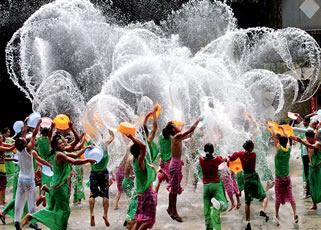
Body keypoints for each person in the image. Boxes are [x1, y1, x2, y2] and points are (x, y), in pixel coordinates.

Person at [21, 134, 96, 230]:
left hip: (57, 185)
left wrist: (85, 148)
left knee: (54, 208)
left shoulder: (61, 152)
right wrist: (89, 160)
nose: (63, 145)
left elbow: (76, 155)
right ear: (55, 146)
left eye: (62, 143)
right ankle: (34, 217)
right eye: (60, 144)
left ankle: (35, 216)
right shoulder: (59, 154)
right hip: (59, 187)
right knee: (65, 211)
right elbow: (74, 161)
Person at [14, 118, 53, 230]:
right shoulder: (28, 149)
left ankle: (17, 221)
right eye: (25, 140)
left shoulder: (18, 149)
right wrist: (38, 124)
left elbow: (22, 135)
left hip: (21, 178)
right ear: (24, 143)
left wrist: (26, 124)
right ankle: (33, 222)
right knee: (31, 201)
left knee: (19, 199)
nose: (26, 139)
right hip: (29, 180)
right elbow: (34, 135)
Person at [166, 117, 203, 222]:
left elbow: (190, 134)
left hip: (175, 163)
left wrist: (192, 132)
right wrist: (197, 120)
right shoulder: (176, 136)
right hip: (175, 164)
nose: (179, 126)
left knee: (173, 189)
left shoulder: (177, 137)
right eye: (176, 126)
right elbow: (190, 130)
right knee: (174, 190)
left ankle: (170, 208)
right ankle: (174, 211)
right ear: (173, 130)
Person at [229, 140, 269, 230]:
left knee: (247, 203)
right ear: (251, 148)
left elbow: (231, 158)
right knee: (264, 197)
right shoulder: (253, 154)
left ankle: (248, 223)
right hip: (254, 177)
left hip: (246, 178)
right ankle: (263, 210)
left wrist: (229, 159)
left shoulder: (240, 154)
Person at [127, 133, 157, 230]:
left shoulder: (135, 160)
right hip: (147, 194)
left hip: (140, 195)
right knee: (149, 220)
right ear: (139, 151)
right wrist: (132, 137)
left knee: (140, 220)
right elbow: (144, 146)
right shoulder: (140, 159)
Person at [269, 126, 298, 226]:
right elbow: (288, 140)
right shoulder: (288, 150)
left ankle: (277, 214)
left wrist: (272, 128)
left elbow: (273, 137)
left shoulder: (278, 150)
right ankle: (295, 213)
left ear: (279, 143)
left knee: (278, 197)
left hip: (279, 178)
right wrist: (284, 131)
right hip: (287, 178)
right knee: (290, 195)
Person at [89, 129, 114, 227]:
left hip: (94, 174)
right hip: (104, 174)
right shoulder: (105, 144)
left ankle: (91, 214)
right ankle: (105, 215)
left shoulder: (91, 146)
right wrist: (109, 126)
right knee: (105, 195)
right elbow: (112, 136)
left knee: (92, 194)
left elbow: (84, 137)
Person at [199, 143, 228, 230]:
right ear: (213, 151)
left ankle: (209, 228)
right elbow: (224, 160)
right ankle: (219, 205)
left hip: (206, 187)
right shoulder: (216, 160)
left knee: (207, 211)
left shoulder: (201, 159)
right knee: (224, 204)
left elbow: (206, 156)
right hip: (216, 185)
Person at [291, 130, 321, 209]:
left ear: (313, 137)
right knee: (311, 185)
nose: (307, 140)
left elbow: (311, 147)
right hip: (312, 168)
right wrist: (286, 134)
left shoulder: (317, 143)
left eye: (308, 138)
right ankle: (314, 204)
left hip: (319, 168)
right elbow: (294, 138)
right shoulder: (307, 142)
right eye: (306, 138)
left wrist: (301, 141)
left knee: (319, 185)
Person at [0, 134, 16, 206]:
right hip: (0, 167)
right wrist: (19, 143)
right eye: (0, 137)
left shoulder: (2, 144)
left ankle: (2, 201)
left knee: (3, 184)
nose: (2, 138)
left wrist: (12, 159)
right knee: (2, 185)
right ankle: (1, 202)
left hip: (2, 166)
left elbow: (10, 146)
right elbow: (10, 149)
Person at [155, 126, 172, 193]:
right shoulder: (171, 139)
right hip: (169, 162)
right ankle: (171, 192)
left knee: (159, 180)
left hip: (162, 162)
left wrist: (166, 127)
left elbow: (161, 133)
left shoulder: (160, 138)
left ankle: (155, 194)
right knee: (169, 180)